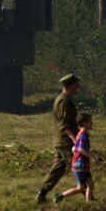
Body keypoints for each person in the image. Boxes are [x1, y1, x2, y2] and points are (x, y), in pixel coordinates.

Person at [37, 74, 83, 203]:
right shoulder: (63, 101)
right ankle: (87, 194)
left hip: (62, 141)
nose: (78, 87)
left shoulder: (66, 99)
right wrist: (75, 140)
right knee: (79, 166)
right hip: (65, 142)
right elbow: (63, 124)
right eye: (76, 85)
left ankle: (42, 193)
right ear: (70, 86)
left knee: (57, 169)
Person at [55, 113, 94, 203]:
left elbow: (75, 148)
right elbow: (80, 149)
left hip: (83, 165)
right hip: (79, 166)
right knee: (81, 187)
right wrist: (92, 157)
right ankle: (60, 196)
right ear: (85, 124)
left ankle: (89, 203)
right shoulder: (83, 135)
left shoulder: (82, 134)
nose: (92, 123)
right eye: (90, 122)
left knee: (90, 185)